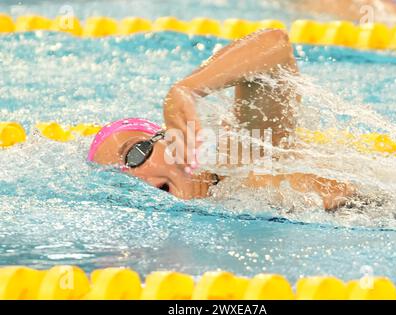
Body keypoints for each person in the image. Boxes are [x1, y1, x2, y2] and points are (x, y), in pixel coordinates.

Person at [88, 29, 356, 211]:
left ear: (171, 138)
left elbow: (276, 46)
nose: (135, 176)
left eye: (134, 153)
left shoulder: (244, 156)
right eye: (118, 183)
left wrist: (187, 90)